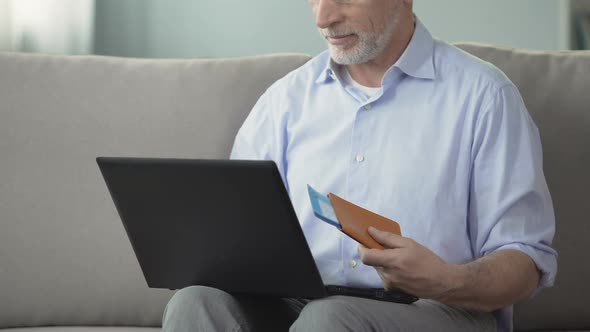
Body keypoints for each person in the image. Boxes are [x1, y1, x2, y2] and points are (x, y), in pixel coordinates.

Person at [162, 0, 557, 331]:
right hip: (299, 304)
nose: (323, 17)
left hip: (436, 309)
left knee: (329, 320)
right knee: (195, 303)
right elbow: (235, 234)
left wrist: (445, 279)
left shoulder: (484, 97)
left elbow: (526, 260)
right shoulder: (284, 101)